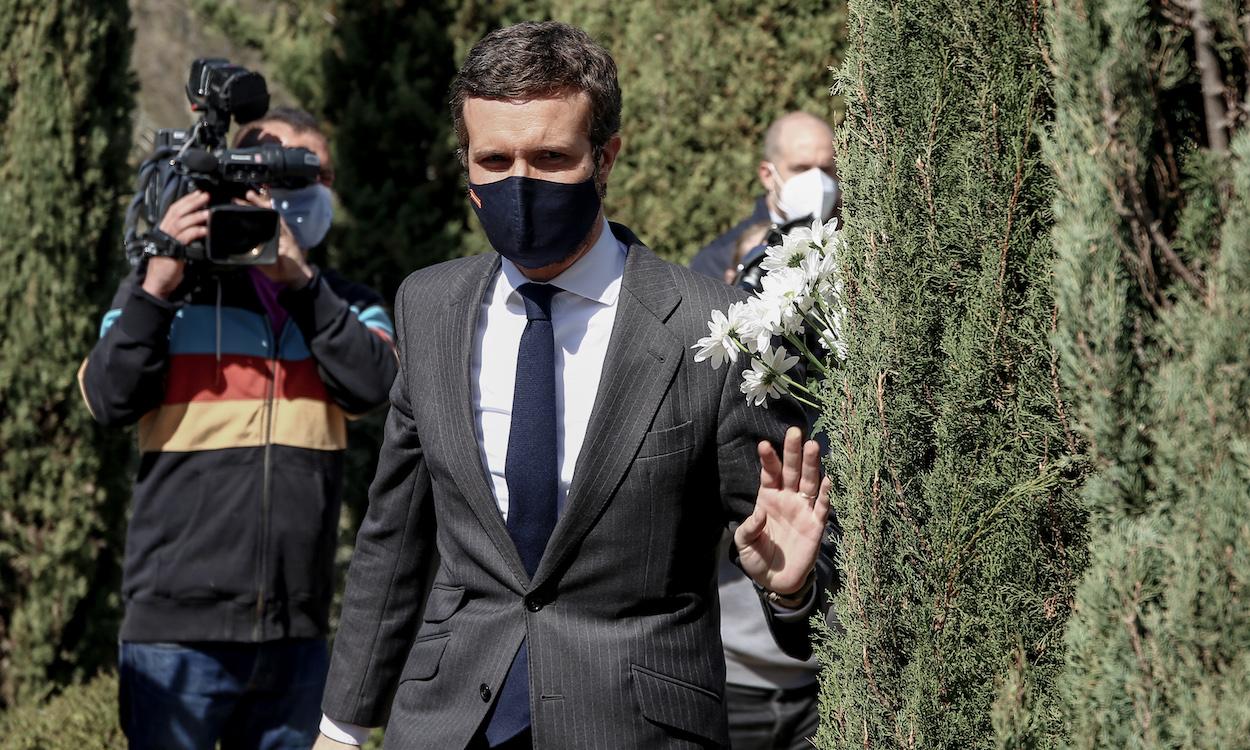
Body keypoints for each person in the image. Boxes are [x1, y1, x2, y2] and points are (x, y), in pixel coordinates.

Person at [314, 21, 833, 750]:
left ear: (605, 157)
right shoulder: (428, 307)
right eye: (494, 158)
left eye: (551, 156)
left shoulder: (708, 328)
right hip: (448, 723)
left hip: (637, 727)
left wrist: (790, 589)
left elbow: (798, 549)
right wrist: (340, 725)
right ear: (466, 165)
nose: (518, 182)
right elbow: (396, 535)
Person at [78, 107, 397, 750]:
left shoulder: (348, 302)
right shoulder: (170, 293)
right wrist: (157, 282)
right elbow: (107, 398)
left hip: (295, 637)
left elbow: (376, 387)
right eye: (277, 175)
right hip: (175, 636)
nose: (300, 193)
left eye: (315, 175)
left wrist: (301, 285)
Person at [690, 111, 839, 280]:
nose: (816, 181)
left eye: (826, 169)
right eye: (800, 169)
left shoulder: (858, 238)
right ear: (768, 175)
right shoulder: (717, 261)